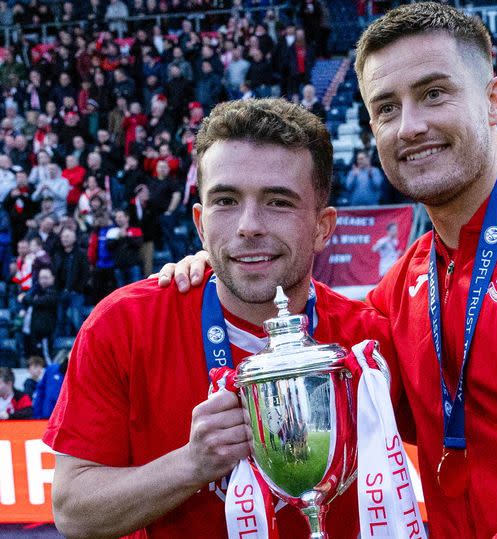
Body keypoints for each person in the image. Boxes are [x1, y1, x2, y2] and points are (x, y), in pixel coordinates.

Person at [164, 4, 497, 536]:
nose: (411, 126)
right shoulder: (405, 285)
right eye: (387, 108)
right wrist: (232, 259)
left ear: (494, 101)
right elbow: (322, 349)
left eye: (433, 94)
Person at [43, 99, 394, 538]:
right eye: (226, 200)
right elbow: (73, 512)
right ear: (200, 223)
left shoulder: (370, 341)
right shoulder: (123, 325)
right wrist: (191, 464)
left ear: (324, 226)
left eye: (278, 202)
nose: (249, 225)